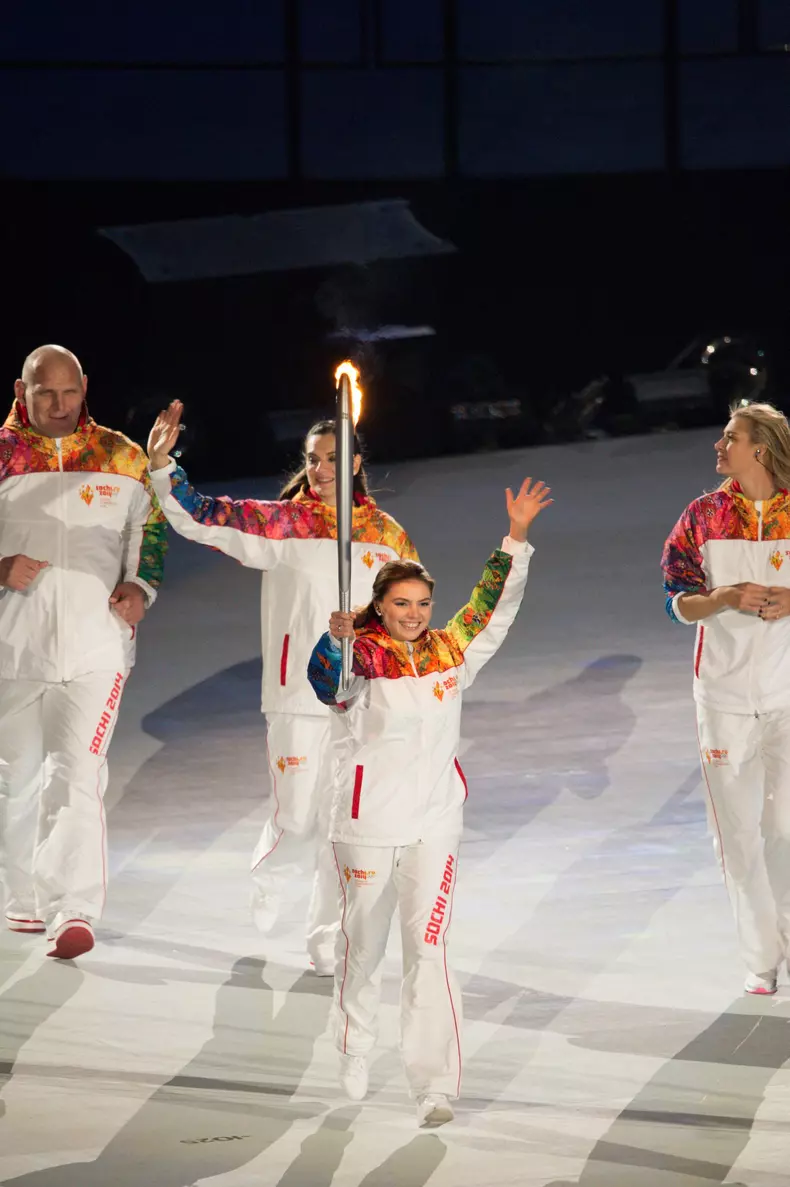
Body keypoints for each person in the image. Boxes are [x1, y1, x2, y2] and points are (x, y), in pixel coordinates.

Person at [307, 477, 551, 1126]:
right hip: (364, 823)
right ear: (379, 607)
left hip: (434, 823)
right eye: (400, 603)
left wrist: (515, 538)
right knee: (364, 943)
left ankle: (434, 1083)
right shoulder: (360, 655)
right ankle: (355, 1045)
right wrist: (334, 641)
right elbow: (324, 685)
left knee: (429, 948)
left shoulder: (450, 650)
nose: (414, 613)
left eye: (421, 602)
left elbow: (491, 605)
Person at [147, 399, 418, 974]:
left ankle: (328, 942)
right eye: (312, 459)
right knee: (299, 818)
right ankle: (270, 873)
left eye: (331, 459)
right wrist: (165, 468)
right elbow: (202, 515)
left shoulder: (386, 536)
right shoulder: (284, 523)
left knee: (341, 824)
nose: (319, 469)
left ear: (356, 463)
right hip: (298, 696)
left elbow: (408, 615)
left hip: (360, 699)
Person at [0, 345, 167, 958]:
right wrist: (0, 567)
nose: (60, 405)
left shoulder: (120, 457)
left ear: (84, 387)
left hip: (97, 648)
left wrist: (140, 586)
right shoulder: (4, 456)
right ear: (23, 392)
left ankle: (73, 910)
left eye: (69, 392)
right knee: (15, 779)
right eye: (46, 393)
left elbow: (148, 530)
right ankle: (22, 899)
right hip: (12, 648)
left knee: (78, 774)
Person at [662, 401, 790, 996]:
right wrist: (724, 598)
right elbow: (676, 601)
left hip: (787, 695)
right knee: (736, 834)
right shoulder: (703, 516)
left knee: (785, 830)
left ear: (759, 448)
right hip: (723, 699)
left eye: (730, 437)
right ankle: (762, 958)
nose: (718, 446)